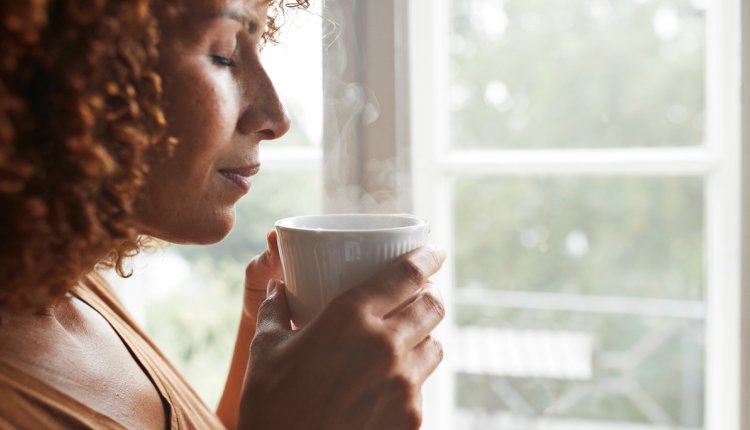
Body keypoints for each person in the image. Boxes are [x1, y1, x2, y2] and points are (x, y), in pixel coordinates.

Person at [0, 0, 446, 429]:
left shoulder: (69, 290)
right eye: (225, 55)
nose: (276, 116)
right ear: (76, 70)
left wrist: (266, 349)